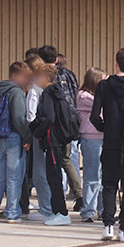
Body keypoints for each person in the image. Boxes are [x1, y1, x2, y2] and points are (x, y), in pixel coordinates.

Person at [90, 48, 124, 242]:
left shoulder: (103, 86)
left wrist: (106, 127)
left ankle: (108, 225)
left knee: (109, 184)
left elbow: (94, 116)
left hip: (111, 142)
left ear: (116, 63)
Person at [0, 62, 32, 222]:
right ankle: (12, 212)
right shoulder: (16, 92)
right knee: (14, 176)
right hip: (14, 136)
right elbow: (18, 118)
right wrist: (27, 137)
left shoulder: (1, 89)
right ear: (16, 76)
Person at [28, 62, 76, 226]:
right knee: (54, 176)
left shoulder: (48, 93)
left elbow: (48, 117)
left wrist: (37, 131)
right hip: (58, 139)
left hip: (52, 139)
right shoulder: (58, 91)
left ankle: (61, 213)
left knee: (54, 177)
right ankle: (58, 212)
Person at [75, 67, 105, 222]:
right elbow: (102, 105)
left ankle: (102, 209)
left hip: (103, 137)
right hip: (91, 138)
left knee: (103, 176)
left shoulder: (96, 96)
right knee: (92, 176)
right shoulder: (83, 96)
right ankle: (88, 210)